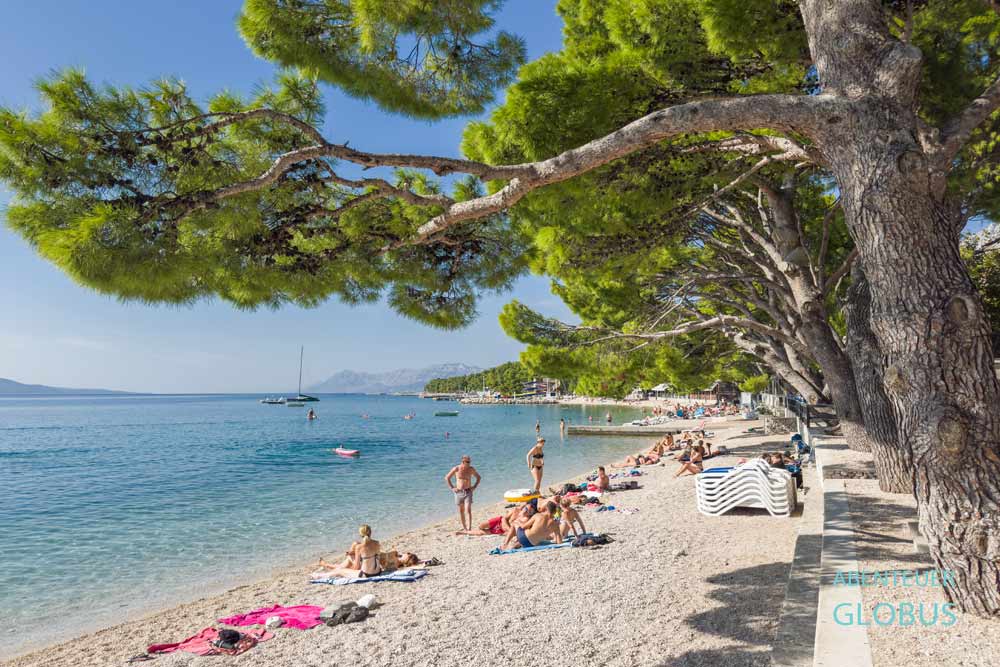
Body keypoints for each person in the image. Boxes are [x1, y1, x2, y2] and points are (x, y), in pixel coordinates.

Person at [444, 455, 481, 532]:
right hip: (458, 492)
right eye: (467, 462)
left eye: (470, 461)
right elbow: (447, 477)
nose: (469, 463)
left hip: (468, 491)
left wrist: (474, 486)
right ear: (463, 462)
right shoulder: (456, 468)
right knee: (461, 510)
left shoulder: (471, 469)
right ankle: (465, 528)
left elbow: (478, 477)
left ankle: (469, 527)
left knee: (468, 509)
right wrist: (452, 488)